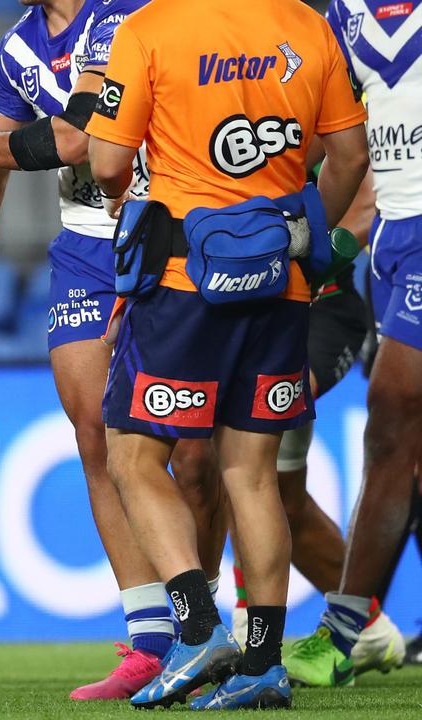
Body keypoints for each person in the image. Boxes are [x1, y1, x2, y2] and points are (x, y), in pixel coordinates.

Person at [0, 0, 226, 701]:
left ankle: (203, 623)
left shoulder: (124, 14)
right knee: (96, 433)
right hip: (83, 251)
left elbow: (77, 137)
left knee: (192, 452)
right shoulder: (16, 50)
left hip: (168, 234)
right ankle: (150, 639)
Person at [86, 0, 368, 708]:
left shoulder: (147, 28)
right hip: (283, 281)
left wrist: (136, 202)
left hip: (185, 281)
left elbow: (108, 161)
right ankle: (264, 666)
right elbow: (351, 156)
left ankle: (200, 624)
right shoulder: (308, 25)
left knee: (131, 451)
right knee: (252, 475)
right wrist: (306, 238)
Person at [283, 0, 422, 688]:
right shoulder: (341, 17)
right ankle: (355, 628)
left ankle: (344, 631)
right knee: (403, 440)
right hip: (394, 241)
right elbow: (327, 138)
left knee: (392, 412)